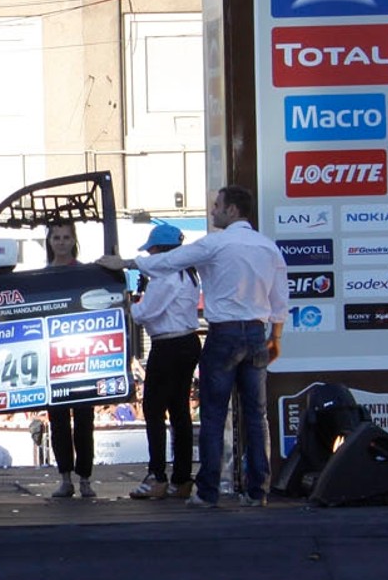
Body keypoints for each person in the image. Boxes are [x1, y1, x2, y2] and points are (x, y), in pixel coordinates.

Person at [98, 184, 286, 509]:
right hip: (257, 332)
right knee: (256, 416)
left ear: (231, 210)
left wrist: (126, 262)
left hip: (224, 333)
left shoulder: (216, 244)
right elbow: (280, 300)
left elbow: (169, 262)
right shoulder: (267, 247)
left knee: (213, 414)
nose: (212, 211)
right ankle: (258, 490)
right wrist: (276, 337)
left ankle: (208, 492)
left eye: (217, 206)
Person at [127, 221, 202, 501]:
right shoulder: (188, 274)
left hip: (168, 344)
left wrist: (130, 306)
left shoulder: (166, 276)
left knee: (154, 409)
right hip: (187, 341)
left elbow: (146, 312)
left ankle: (156, 475)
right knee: (179, 410)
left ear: (161, 251)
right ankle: (181, 478)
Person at [40, 218, 96, 498]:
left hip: (82, 357)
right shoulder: (40, 277)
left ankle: (85, 479)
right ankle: (65, 478)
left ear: (74, 241)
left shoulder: (87, 273)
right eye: (56, 237)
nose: (61, 242)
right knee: (58, 419)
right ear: (49, 242)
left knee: (85, 419)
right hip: (54, 358)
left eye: (65, 237)